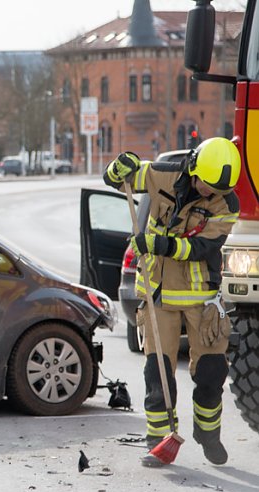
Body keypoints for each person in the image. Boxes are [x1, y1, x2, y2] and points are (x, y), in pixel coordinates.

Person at [103, 137, 241, 466]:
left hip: (202, 299)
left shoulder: (228, 203)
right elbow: (119, 179)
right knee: (158, 372)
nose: (209, 193)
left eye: (216, 190)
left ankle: (208, 434)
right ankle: (159, 440)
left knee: (211, 372)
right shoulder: (163, 174)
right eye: (206, 185)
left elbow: (201, 248)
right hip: (158, 294)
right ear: (193, 169)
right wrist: (118, 167)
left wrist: (156, 244)